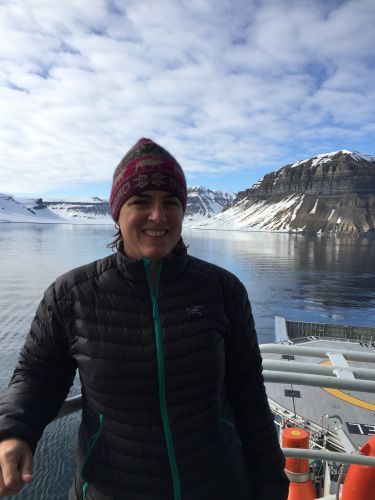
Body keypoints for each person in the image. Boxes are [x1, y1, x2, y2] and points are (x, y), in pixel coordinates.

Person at [0, 138, 289, 499]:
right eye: (141, 202)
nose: (158, 215)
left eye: (170, 202)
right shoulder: (72, 295)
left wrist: (271, 484)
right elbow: (38, 375)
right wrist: (14, 430)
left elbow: (248, 394)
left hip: (218, 485)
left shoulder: (222, 290)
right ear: (117, 212)